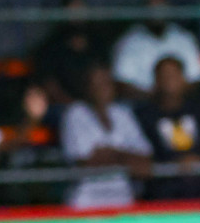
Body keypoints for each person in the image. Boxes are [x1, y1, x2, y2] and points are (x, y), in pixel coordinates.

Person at [60, 63, 153, 210]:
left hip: (123, 200)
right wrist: (125, 157)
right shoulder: (75, 113)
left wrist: (111, 154)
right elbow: (85, 162)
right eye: (95, 83)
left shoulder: (122, 113)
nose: (102, 87)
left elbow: (145, 163)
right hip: (85, 202)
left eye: (106, 82)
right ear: (86, 88)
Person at [134, 56, 200, 200]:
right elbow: (142, 154)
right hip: (161, 195)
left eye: (174, 74)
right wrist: (175, 164)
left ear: (184, 79)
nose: (169, 79)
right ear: (155, 81)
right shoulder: (143, 116)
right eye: (164, 75)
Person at [111, 0, 200, 97]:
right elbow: (122, 83)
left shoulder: (184, 38)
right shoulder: (128, 42)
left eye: (161, 8)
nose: (157, 13)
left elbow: (196, 79)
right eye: (152, 8)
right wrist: (157, 98)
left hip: (182, 104)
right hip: (142, 106)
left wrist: (172, 97)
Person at [32, 0, 106, 105]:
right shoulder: (51, 47)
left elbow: (104, 76)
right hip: (64, 107)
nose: (77, 15)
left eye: (80, 10)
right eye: (71, 11)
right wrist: (72, 106)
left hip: (97, 107)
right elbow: (49, 84)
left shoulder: (97, 42)